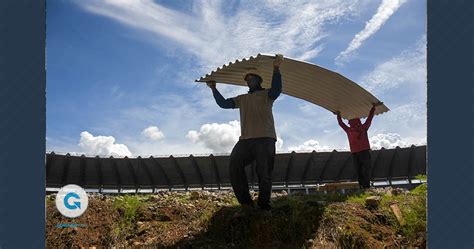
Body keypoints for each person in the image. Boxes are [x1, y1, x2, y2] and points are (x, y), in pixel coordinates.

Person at [206, 54, 284, 218]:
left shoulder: (267, 95)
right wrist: (214, 88)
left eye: (253, 78)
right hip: (246, 140)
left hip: (265, 138)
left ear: (259, 80)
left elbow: (277, 89)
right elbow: (224, 104)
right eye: (247, 79)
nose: (250, 81)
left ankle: (264, 207)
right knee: (234, 164)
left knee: (264, 172)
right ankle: (247, 204)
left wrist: (276, 69)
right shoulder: (242, 99)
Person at [334, 102, 383, 189]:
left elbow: (340, 123)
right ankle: (366, 186)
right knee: (366, 169)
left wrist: (338, 114)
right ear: (359, 121)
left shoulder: (349, 130)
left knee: (359, 170)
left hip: (355, 153)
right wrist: (373, 107)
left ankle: (362, 187)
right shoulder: (363, 128)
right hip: (364, 151)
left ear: (350, 123)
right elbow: (370, 118)